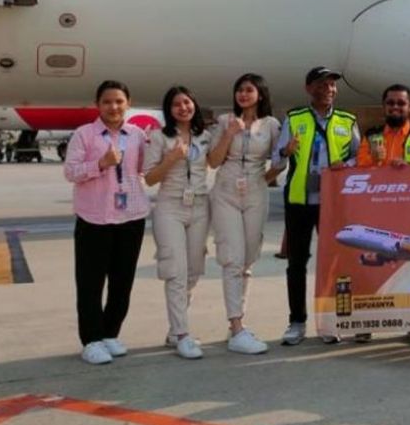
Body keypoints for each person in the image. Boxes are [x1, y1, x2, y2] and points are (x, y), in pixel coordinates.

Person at [63, 80, 150, 365]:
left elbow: (143, 171)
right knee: (90, 283)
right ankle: (91, 339)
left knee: (122, 281)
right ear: (98, 105)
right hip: (95, 219)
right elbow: (71, 172)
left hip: (131, 217)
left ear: (128, 103)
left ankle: (111, 333)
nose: (113, 107)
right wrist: (100, 164)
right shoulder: (85, 134)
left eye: (119, 101)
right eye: (107, 102)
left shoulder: (136, 135)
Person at [271, 66, 360, 347]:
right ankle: (296, 321)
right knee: (297, 263)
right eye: (322, 85)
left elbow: (360, 159)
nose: (329, 90)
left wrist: (344, 165)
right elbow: (278, 158)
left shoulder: (347, 120)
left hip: (332, 204)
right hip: (299, 200)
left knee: (334, 265)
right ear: (309, 88)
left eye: (332, 85)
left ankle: (330, 321)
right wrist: (286, 150)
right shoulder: (295, 118)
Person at [355, 83, 410, 344]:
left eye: (401, 103)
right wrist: (381, 164)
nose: (395, 107)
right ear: (384, 107)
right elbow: (359, 170)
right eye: (391, 103)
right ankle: (366, 322)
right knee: (372, 269)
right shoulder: (371, 136)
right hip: (377, 214)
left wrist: (407, 170)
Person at [208, 72, 282, 355]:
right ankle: (237, 325)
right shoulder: (226, 121)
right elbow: (213, 160)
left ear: (259, 95)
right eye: (239, 90)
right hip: (226, 189)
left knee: (248, 259)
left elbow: (278, 163)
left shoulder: (271, 124)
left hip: (255, 190)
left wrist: (267, 175)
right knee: (232, 259)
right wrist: (228, 134)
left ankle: (238, 323)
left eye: (249, 90)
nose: (243, 94)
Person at [143, 86, 212, 360]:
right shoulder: (159, 138)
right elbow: (149, 178)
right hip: (170, 207)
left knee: (194, 269)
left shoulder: (204, 136)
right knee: (176, 270)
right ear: (169, 111)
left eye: (187, 102)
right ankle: (182, 334)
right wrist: (171, 159)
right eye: (176, 105)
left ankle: (175, 329)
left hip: (198, 205)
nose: (183, 108)